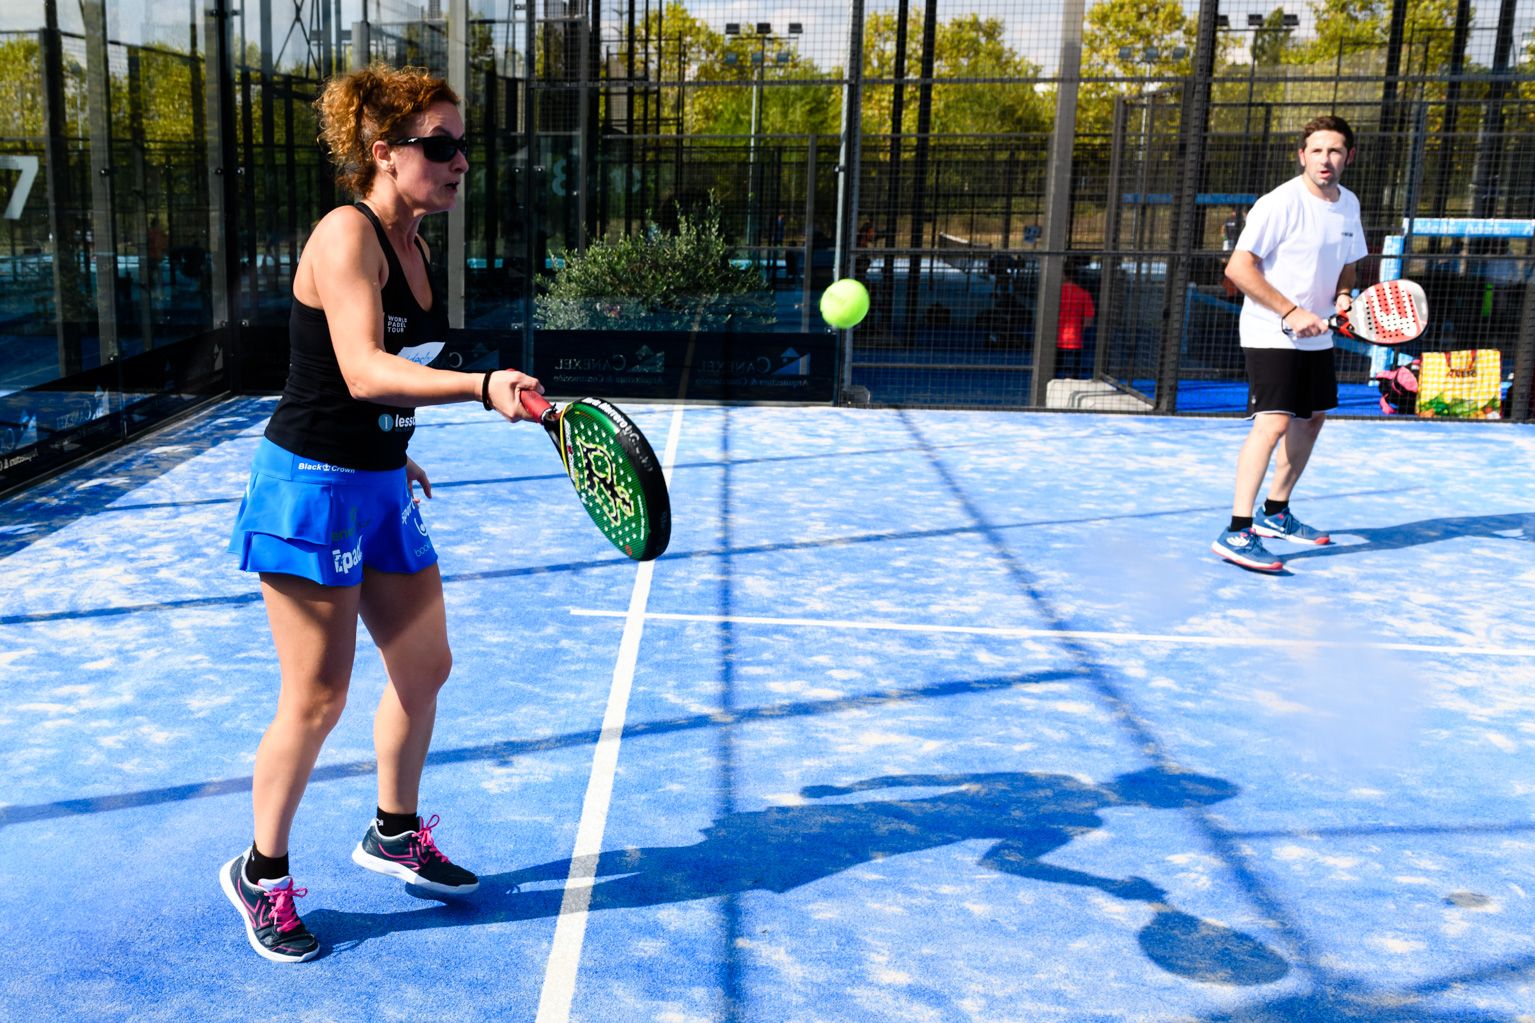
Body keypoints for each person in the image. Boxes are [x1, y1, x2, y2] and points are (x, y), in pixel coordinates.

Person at [221, 63, 543, 963]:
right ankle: (260, 872)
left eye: (462, 146)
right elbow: (362, 370)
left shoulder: (416, 246)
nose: (457, 161)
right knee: (317, 696)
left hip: (378, 486)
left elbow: (374, 385)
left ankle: (394, 830)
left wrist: (396, 451)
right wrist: (480, 385)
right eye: (437, 146)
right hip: (311, 490)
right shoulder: (345, 234)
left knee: (425, 664)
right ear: (383, 153)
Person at [1213, 114, 1367, 572]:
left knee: (1312, 418)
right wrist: (1290, 311)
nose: (1325, 159)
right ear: (1302, 156)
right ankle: (1236, 531)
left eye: (1334, 150)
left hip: (1318, 333)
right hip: (1270, 329)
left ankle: (1275, 512)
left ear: (1349, 157)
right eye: (1316, 150)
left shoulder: (1349, 205)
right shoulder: (1279, 203)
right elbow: (1238, 269)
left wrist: (1343, 295)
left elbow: (1348, 264)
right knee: (1274, 423)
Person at [1056, 261, 1096, 379]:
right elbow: (1088, 321)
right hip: (1074, 340)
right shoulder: (1083, 294)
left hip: (1055, 340)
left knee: (1051, 376)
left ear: (1063, 274)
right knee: (1072, 378)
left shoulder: (1054, 294)